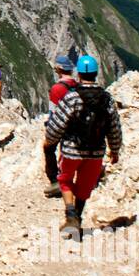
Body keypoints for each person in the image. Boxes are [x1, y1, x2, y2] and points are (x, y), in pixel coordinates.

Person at [42, 54, 122, 239]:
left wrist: (50, 140)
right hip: (96, 152)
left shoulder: (72, 97)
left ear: (79, 74)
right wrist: (115, 149)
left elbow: (58, 124)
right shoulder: (107, 99)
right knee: (84, 187)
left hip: (72, 150)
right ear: (96, 73)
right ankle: (77, 216)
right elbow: (114, 127)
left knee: (65, 180)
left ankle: (70, 215)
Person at [43, 54, 79, 197]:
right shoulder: (77, 86)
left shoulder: (56, 89)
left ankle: (55, 181)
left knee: (48, 147)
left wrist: (49, 129)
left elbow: (53, 113)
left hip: (62, 126)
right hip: (77, 125)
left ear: (58, 69)